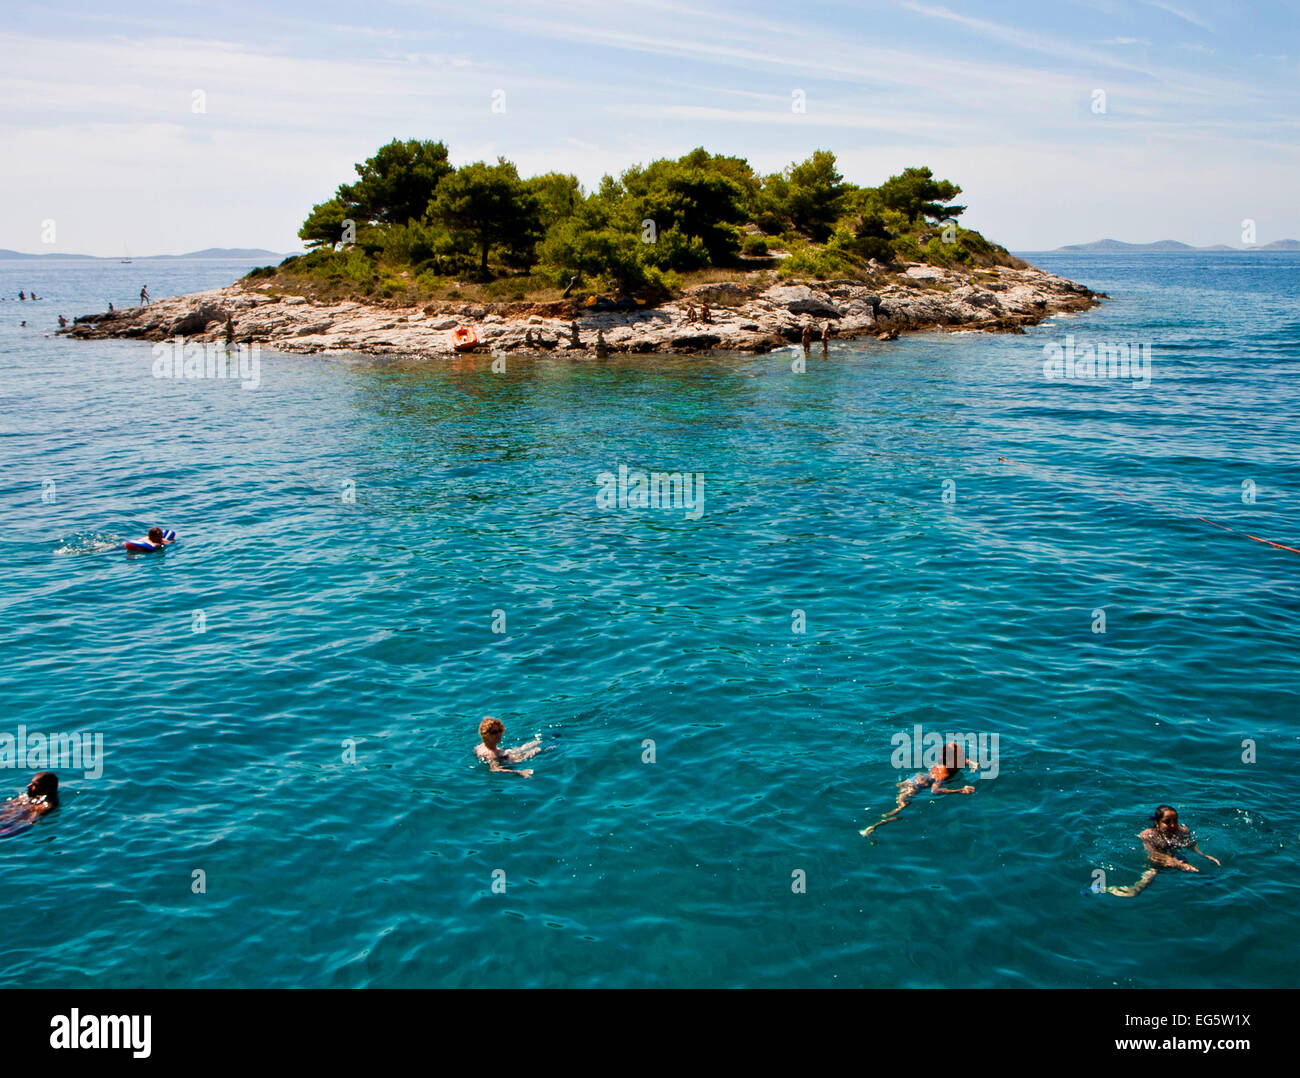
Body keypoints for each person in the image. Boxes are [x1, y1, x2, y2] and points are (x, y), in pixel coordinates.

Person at [860, 741, 977, 840]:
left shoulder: (947, 760)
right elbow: (934, 791)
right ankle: (872, 827)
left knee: (899, 809)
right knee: (899, 812)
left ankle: (875, 823)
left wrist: (973, 764)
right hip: (914, 787)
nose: (962, 757)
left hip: (914, 779)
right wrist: (959, 790)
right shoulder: (943, 773)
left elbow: (965, 761)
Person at [1107, 805, 1220, 896]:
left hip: (1176, 855)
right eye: (1167, 822)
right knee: (1144, 883)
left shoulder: (1183, 830)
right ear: (1157, 823)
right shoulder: (1147, 835)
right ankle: (1117, 889)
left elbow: (1190, 845)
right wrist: (1174, 862)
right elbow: (1152, 853)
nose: (1172, 825)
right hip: (1157, 860)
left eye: (1175, 821)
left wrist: (1203, 855)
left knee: (1196, 873)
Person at [475, 717, 541, 777]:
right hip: (506, 759)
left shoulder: (479, 747)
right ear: (486, 734)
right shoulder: (490, 754)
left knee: (527, 747)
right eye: (494, 732)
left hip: (504, 755)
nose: (498, 734)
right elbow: (494, 769)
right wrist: (519, 772)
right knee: (537, 750)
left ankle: (538, 742)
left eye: (500, 731)